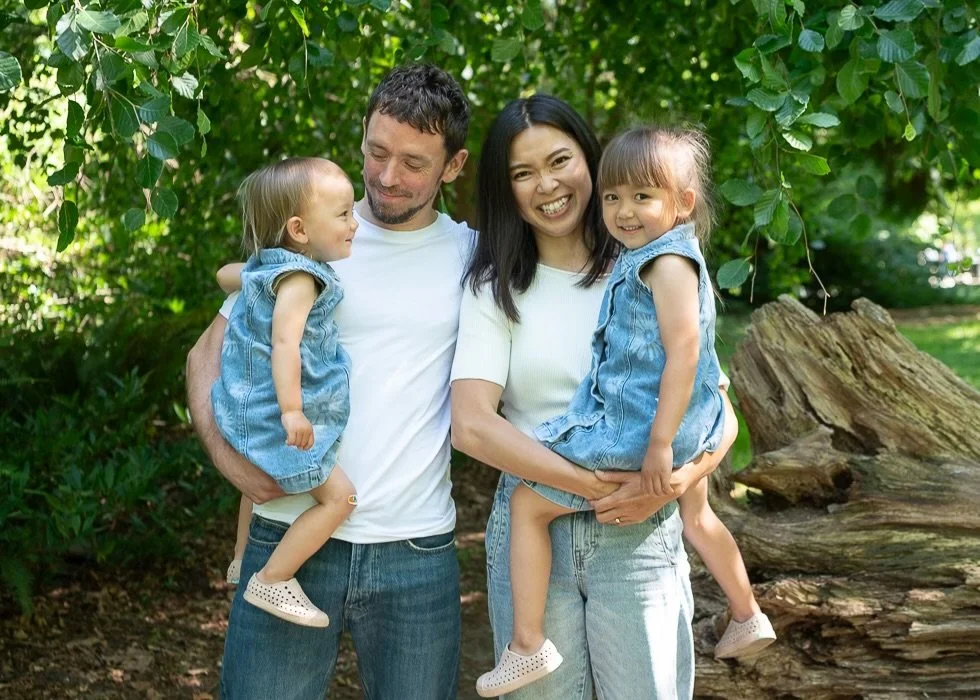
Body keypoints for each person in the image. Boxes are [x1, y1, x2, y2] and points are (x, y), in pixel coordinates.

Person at [185, 63, 472, 698]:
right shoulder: (311, 243)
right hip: (289, 530)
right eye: (376, 152)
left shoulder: (473, 257)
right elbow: (206, 353)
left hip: (416, 551)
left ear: (453, 166)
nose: (388, 177)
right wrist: (226, 455)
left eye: (414, 163)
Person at [450, 95, 740, 699]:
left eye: (560, 161)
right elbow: (472, 427)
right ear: (505, 190)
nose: (546, 185)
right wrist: (588, 486)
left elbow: (719, 412)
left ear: (592, 160)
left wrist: (672, 482)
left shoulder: (653, 267)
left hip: (640, 527)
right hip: (538, 531)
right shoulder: (494, 288)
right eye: (522, 173)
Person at [210, 157, 359, 628]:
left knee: (254, 483)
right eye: (343, 215)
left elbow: (223, 274)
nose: (355, 224)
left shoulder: (267, 267)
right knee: (340, 500)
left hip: (242, 408)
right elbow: (285, 342)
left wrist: (249, 272)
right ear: (298, 228)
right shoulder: (300, 279)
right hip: (277, 412)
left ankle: (240, 559)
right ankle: (273, 576)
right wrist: (293, 411)